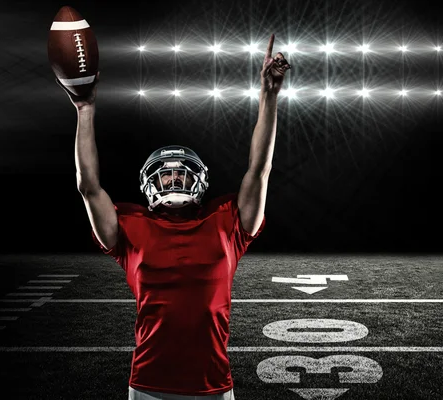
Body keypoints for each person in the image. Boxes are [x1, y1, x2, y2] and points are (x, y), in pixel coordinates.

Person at [56, 34, 291, 400]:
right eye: (166, 173)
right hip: (149, 383)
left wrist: (269, 96)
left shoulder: (227, 220)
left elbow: (260, 170)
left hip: (213, 384)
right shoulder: (129, 226)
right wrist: (84, 110)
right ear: (151, 182)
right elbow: (88, 186)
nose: (174, 178)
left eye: (182, 172)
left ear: (197, 179)